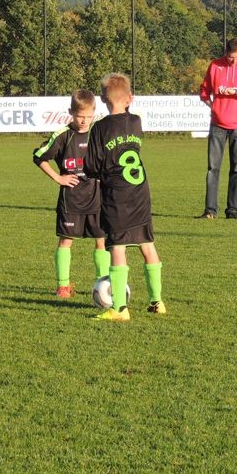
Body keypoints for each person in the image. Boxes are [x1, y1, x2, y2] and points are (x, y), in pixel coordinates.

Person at [85, 72, 164, 322]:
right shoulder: (136, 122)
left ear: (101, 98)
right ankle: (157, 301)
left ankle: (119, 308)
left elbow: (92, 165)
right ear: (130, 98)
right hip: (140, 191)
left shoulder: (100, 127)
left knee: (117, 247)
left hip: (117, 194)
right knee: (146, 244)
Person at [33, 89, 110, 298]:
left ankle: (104, 284)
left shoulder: (99, 133)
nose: (84, 121)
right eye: (79, 116)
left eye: (88, 116)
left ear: (94, 112)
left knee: (101, 241)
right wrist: (58, 178)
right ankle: (63, 286)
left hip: (97, 198)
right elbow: (39, 156)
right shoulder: (63, 135)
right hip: (71, 200)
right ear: (71, 112)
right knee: (66, 241)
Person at [198, 38, 237, 219]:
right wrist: (210, 103)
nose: (233, 61)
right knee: (213, 168)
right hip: (217, 123)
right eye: (230, 57)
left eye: (236, 57)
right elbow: (204, 89)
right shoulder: (215, 66)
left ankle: (233, 210)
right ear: (225, 53)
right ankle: (210, 210)